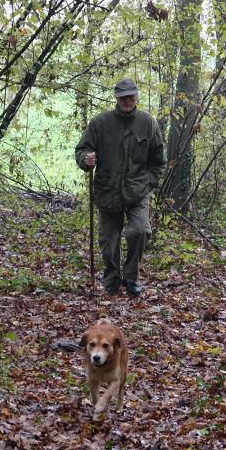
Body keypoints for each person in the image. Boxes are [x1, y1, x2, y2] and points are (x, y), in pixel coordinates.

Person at [76, 78, 166, 296]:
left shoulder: (148, 123)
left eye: (131, 96)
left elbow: (158, 161)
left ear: (137, 97)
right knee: (109, 242)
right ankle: (111, 279)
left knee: (140, 231)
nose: (127, 100)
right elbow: (82, 149)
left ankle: (131, 278)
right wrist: (85, 160)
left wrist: (148, 184)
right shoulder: (100, 122)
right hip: (107, 191)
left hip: (137, 192)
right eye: (123, 97)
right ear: (116, 98)